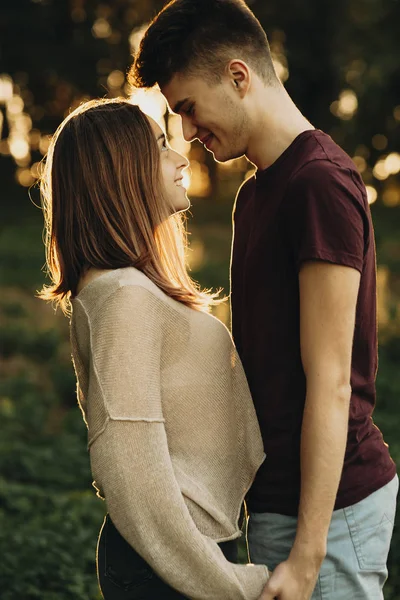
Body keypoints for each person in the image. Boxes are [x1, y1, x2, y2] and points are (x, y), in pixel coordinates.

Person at [129, 1, 399, 598]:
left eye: (189, 109)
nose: (190, 133)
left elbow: (331, 383)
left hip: (329, 515)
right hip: (279, 502)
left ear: (238, 75)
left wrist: (308, 554)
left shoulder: (319, 184)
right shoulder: (254, 195)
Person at [38, 97, 270, 599]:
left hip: (183, 554)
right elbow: (130, 467)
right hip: (169, 564)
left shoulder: (125, 289)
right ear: (120, 171)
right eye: (162, 146)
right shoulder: (123, 296)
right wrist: (229, 583)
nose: (182, 157)